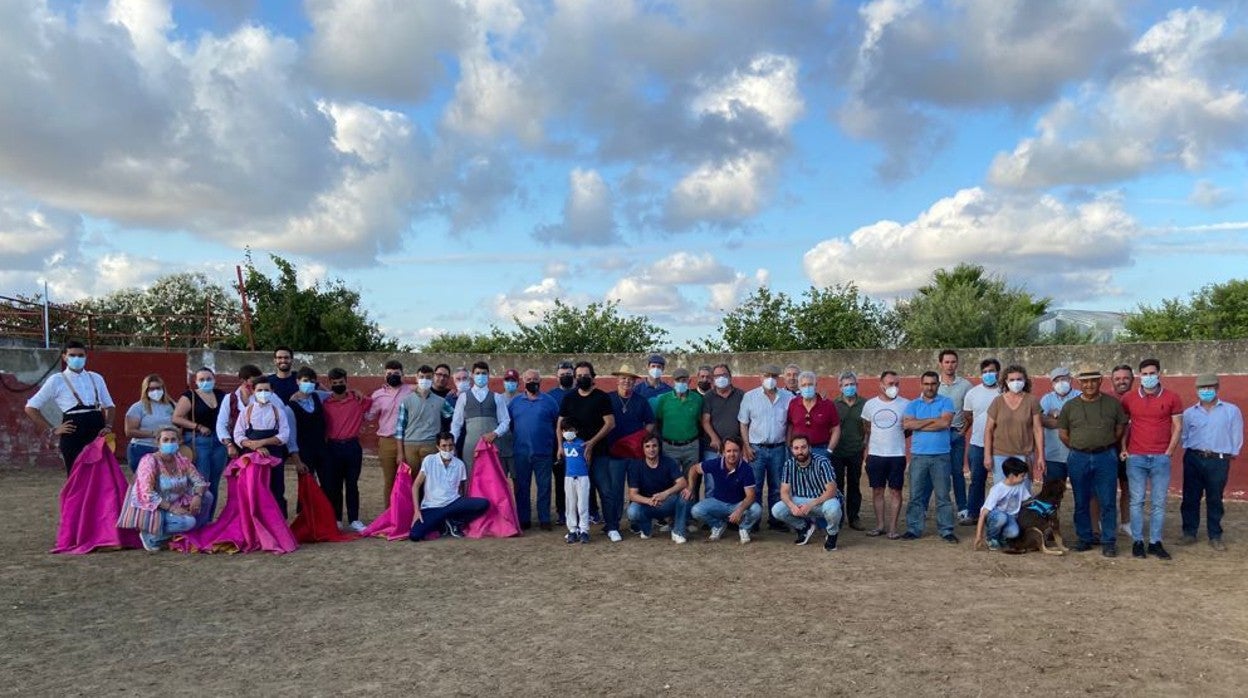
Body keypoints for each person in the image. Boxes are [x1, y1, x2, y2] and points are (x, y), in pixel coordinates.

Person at [1058, 367, 1128, 557]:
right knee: (1081, 500)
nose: (1089, 385)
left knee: (1107, 500)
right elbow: (1063, 433)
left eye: (1093, 381)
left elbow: (1120, 428)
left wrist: (1103, 443)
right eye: (1085, 382)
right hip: (1078, 457)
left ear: (1100, 382)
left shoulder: (1112, 404)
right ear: (1079, 383)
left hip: (1106, 457)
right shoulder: (1070, 406)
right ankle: (1084, 538)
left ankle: (1108, 541)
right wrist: (1078, 445)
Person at [1119, 358, 1182, 560]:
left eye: (1152, 373)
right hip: (1135, 456)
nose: (1148, 377)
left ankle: (1155, 542)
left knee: (1159, 502)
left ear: (1159, 374)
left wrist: (1169, 451)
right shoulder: (1129, 398)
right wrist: (1123, 448)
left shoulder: (1172, 397)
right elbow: (1124, 425)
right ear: (1139, 376)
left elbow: (1178, 426)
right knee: (1136, 501)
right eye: (1144, 374)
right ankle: (1138, 541)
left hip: (1160, 457)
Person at [24, 341, 116, 475]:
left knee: (101, 477)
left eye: (80, 355)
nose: (77, 359)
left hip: (97, 429)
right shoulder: (56, 380)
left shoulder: (96, 378)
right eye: (72, 355)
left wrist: (108, 426)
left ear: (86, 356)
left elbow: (110, 406)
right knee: (76, 475)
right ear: (64, 357)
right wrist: (52, 429)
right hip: (73, 431)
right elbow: (31, 407)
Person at [1180, 373, 1242, 552]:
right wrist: (1192, 451)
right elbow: (1184, 435)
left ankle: (1215, 535)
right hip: (1194, 458)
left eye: (1210, 387)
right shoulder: (1189, 413)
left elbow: (1236, 434)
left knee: (1215, 498)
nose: (1206, 391)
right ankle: (1189, 532)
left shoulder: (1231, 411)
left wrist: (1231, 452)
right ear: (1197, 390)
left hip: (1218, 460)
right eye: (1202, 388)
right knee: (1190, 497)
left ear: (1217, 388)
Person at [125, 427, 212, 551]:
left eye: (173, 440)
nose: (169, 443)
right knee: (187, 522)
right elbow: (146, 493)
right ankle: (151, 537)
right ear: (158, 442)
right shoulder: (149, 461)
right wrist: (172, 508)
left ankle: (189, 534)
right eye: (165, 440)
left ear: (179, 442)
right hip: (153, 507)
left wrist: (197, 496)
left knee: (207, 497)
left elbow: (199, 480)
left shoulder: (182, 460)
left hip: (176, 501)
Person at [901, 371, 959, 544]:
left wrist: (920, 423)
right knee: (915, 495)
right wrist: (933, 421)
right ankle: (913, 528)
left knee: (943, 495)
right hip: (919, 456)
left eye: (933, 384)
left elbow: (945, 423)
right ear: (921, 385)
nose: (930, 387)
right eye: (926, 384)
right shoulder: (912, 404)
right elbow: (907, 425)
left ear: (938, 385)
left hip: (941, 456)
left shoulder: (946, 402)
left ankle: (946, 529)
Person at [557, 361, 614, 527]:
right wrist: (561, 446)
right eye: (579, 376)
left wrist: (591, 443)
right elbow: (560, 424)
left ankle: (611, 526)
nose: (582, 379)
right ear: (575, 378)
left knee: (605, 490)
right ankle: (576, 526)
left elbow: (610, 423)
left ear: (593, 377)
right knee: (575, 492)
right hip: (575, 454)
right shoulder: (569, 398)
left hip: (599, 451)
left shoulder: (602, 397)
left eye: (586, 376)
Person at [738, 363, 793, 530]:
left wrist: (788, 445)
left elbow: (790, 424)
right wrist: (746, 446)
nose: (770, 379)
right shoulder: (750, 396)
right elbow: (743, 423)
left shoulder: (788, 397)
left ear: (778, 378)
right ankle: (753, 520)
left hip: (779, 448)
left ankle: (776, 520)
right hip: (756, 448)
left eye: (774, 376)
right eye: (766, 375)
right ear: (760, 377)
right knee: (755, 486)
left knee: (777, 486)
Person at [407, 432, 490, 541]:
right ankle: (445, 522)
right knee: (415, 535)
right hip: (432, 506)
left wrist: (461, 503)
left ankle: (454, 521)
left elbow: (462, 488)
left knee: (483, 504)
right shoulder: (429, 460)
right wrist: (417, 511)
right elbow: (415, 486)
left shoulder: (459, 464)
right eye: (444, 446)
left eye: (450, 445)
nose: (448, 449)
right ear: (438, 447)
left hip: (453, 503)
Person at [606, 364, 655, 542]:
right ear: (617, 379)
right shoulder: (608, 398)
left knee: (637, 488)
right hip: (614, 453)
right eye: (623, 378)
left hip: (635, 454)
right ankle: (613, 525)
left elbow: (650, 422)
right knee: (615, 490)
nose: (626, 381)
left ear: (634, 382)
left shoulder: (641, 401)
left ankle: (636, 521)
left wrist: (642, 438)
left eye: (630, 379)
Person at [320, 368, 373, 532]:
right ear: (329, 383)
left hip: (352, 446)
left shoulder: (358, 400)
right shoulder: (325, 403)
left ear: (346, 381)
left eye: (341, 383)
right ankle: (336, 519)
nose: (338, 385)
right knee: (334, 486)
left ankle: (354, 519)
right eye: (334, 383)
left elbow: (372, 401)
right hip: (333, 447)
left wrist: (354, 392)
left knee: (352, 484)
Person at [231, 375, 292, 517]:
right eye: (259, 390)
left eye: (266, 390)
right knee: (254, 489)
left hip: (274, 455)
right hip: (252, 457)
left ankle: (279, 524)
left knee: (277, 488)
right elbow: (238, 435)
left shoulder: (278, 411)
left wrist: (262, 443)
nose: (263, 393)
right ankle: (254, 523)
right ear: (253, 391)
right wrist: (256, 447)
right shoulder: (246, 412)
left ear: (272, 391)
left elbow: (284, 436)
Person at [172, 367, 228, 518]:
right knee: (201, 481)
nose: (205, 382)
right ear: (196, 381)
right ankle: (197, 519)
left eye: (208, 379)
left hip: (219, 441)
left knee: (215, 481)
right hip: (199, 441)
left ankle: (208, 519)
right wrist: (197, 426)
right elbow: (176, 418)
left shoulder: (221, 395)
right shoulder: (190, 396)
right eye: (201, 379)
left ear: (214, 379)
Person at [772, 434, 842, 551]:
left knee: (833, 508)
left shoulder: (822, 462)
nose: (800, 451)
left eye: (803, 447)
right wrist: (792, 506)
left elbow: (832, 490)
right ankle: (804, 527)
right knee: (777, 510)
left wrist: (811, 505)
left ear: (809, 448)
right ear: (791, 450)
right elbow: (784, 492)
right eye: (796, 448)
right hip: (801, 501)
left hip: (823, 500)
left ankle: (832, 535)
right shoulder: (789, 465)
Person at [510, 369, 560, 531]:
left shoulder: (550, 402)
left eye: (535, 379)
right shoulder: (515, 402)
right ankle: (524, 519)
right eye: (529, 379)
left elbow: (557, 425)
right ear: (523, 381)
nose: (532, 381)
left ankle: (544, 518)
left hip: (544, 452)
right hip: (521, 452)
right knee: (522, 488)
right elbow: (510, 426)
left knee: (544, 487)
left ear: (540, 381)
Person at [685, 437, 762, 543]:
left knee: (756, 509)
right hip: (718, 502)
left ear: (740, 452)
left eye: (735, 451)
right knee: (696, 510)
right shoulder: (715, 464)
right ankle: (718, 525)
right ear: (723, 452)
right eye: (728, 451)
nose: (732, 454)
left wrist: (739, 510)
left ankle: (744, 528)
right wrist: (690, 488)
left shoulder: (746, 469)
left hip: (738, 504)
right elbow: (694, 469)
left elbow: (751, 496)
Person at [861, 371, 909, 539]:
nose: (893, 387)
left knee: (896, 491)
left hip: (897, 455)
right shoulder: (870, 405)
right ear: (881, 384)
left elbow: (908, 428)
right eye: (890, 384)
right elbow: (867, 427)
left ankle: (893, 528)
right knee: (877, 491)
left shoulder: (906, 404)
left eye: (897, 384)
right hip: (875, 455)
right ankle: (880, 525)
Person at [982, 365, 1045, 483]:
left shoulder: (1032, 401)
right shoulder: (998, 401)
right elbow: (988, 430)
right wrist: (987, 455)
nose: (1015, 382)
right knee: (1002, 495)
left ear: (1025, 381)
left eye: (1019, 379)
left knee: (1023, 495)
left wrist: (1041, 455)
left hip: (1024, 455)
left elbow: (1037, 429)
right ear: (1006, 381)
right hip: (1000, 455)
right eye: (1012, 380)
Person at [450, 361, 511, 478]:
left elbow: (505, 420)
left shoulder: (497, 397)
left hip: (492, 444)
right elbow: (456, 424)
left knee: (492, 477)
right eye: (478, 373)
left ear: (488, 375)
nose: (481, 376)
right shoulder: (463, 397)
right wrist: (453, 444)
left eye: (484, 373)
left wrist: (495, 433)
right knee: (470, 476)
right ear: (472, 375)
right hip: (470, 446)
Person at [626, 434, 690, 544]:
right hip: (646, 503)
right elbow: (632, 494)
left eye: (654, 446)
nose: (651, 449)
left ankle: (678, 531)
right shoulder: (635, 466)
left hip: (666, 502)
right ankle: (646, 528)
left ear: (659, 447)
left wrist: (665, 494)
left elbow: (683, 482)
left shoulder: (669, 462)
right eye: (647, 446)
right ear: (643, 448)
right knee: (632, 512)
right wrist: (649, 501)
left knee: (685, 495)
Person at [367, 359, 413, 505]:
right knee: (390, 479)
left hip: (408, 441)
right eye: (389, 373)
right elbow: (369, 416)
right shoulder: (377, 395)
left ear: (402, 374)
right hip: (386, 441)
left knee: (409, 478)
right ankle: (389, 514)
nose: (393, 375)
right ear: (384, 375)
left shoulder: (411, 391)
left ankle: (407, 513)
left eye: (396, 373)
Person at [961, 358, 1001, 521]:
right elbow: (968, 415)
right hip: (978, 444)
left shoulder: (1004, 392)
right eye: (985, 372)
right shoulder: (972, 393)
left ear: (998, 372)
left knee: (1001, 482)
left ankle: (998, 515)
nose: (988, 374)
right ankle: (973, 513)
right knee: (977, 480)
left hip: (1001, 445)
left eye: (991, 371)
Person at [937, 350, 973, 523]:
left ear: (957, 364)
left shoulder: (966, 385)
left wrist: (963, 431)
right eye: (946, 362)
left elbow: (969, 411)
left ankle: (962, 508)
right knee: (935, 472)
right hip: (937, 435)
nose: (950, 365)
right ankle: (930, 508)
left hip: (956, 434)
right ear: (940, 364)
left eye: (953, 362)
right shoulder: (933, 384)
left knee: (957, 473)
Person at [397, 365, 446, 483]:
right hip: (410, 445)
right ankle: (415, 502)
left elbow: (454, 416)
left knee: (430, 480)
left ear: (433, 378)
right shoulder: (406, 400)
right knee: (412, 480)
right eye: (421, 377)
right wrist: (400, 453)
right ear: (416, 378)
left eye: (428, 377)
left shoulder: (441, 401)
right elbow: (400, 429)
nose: (424, 380)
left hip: (431, 444)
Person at [831, 371, 866, 530]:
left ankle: (854, 517)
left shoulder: (865, 404)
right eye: (846, 385)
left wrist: (864, 444)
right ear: (840, 387)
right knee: (837, 485)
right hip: (837, 451)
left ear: (857, 385)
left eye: (852, 384)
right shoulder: (833, 404)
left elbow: (868, 428)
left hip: (856, 450)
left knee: (854, 484)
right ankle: (838, 517)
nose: (849, 387)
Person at [973, 457, 1031, 551]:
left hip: (1010, 517)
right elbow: (984, 513)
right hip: (996, 516)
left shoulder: (1020, 486)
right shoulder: (997, 489)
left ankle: (1001, 538)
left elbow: (1027, 501)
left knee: (1014, 533)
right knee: (1001, 517)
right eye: (1022, 476)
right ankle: (991, 538)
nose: (1024, 478)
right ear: (1012, 476)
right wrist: (978, 536)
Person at [653, 367, 703, 476]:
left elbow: (701, 421)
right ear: (672, 382)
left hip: (691, 446)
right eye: (678, 380)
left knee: (690, 480)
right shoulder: (664, 399)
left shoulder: (697, 399)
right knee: (671, 480)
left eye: (684, 380)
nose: (681, 383)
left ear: (689, 381)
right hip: (670, 447)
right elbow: (658, 421)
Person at [123, 373, 176, 473]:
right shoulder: (138, 407)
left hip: (166, 450)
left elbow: (179, 425)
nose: (155, 391)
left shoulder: (173, 405)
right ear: (145, 390)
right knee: (143, 483)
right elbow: (129, 431)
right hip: (142, 449)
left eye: (158, 388)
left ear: (163, 389)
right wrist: (154, 433)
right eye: (151, 389)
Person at [1106, 363, 1135, 537]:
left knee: (1128, 489)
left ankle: (1126, 522)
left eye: (1125, 378)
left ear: (1132, 380)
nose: (1121, 381)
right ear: (1112, 380)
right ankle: (1107, 522)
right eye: (1118, 378)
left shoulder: (1139, 398)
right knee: (1106, 489)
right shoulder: (1105, 399)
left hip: (1133, 451)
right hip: (1108, 450)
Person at [786, 370, 841, 461]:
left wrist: (829, 450)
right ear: (799, 387)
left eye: (810, 384)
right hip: (799, 450)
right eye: (804, 385)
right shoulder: (793, 403)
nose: (807, 387)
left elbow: (836, 429)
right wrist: (789, 447)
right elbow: (790, 426)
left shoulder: (828, 405)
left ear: (816, 386)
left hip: (821, 449)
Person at [546, 360, 576, 525]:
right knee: (560, 479)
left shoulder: (580, 392)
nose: (566, 377)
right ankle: (562, 512)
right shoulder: (551, 396)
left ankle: (582, 510)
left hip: (579, 443)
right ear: (557, 377)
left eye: (569, 375)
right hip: (558, 444)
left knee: (581, 478)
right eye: (562, 375)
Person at [1039, 366, 1079, 487]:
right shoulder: (1047, 399)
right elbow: (1042, 420)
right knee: (1050, 494)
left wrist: (1056, 414)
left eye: (1063, 379)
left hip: (1077, 454)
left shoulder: (1080, 396)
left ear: (1070, 380)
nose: (1060, 383)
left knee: (1082, 492)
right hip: (1053, 455)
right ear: (1052, 384)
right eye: (1056, 381)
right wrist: (1068, 420)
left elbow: (1080, 422)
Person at [560, 419, 592, 544]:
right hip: (569, 477)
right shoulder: (563, 445)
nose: (568, 432)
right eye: (566, 430)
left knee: (582, 504)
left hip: (582, 477)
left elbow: (588, 460)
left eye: (571, 430)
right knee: (570, 504)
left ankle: (584, 530)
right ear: (562, 432)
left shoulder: (582, 444)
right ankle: (572, 530)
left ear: (576, 431)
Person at [496, 369, 522, 477]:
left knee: (518, 480)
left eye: (513, 380)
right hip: (501, 446)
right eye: (507, 380)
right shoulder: (497, 399)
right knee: (500, 480)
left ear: (518, 383)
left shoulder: (523, 399)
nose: (510, 383)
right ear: (503, 382)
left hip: (518, 447)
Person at [430, 363, 456, 433]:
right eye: (439, 374)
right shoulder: (426, 393)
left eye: (445, 376)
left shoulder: (452, 395)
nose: (442, 378)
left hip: (445, 438)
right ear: (433, 375)